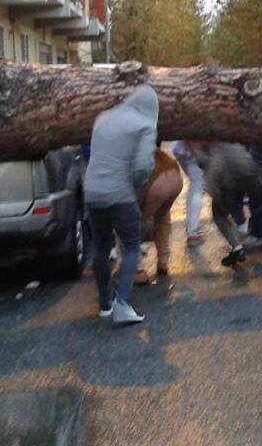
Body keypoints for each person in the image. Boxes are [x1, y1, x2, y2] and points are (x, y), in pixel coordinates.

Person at [83, 85, 158, 326]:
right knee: (132, 246)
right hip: (120, 194)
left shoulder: (103, 118)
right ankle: (123, 304)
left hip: (93, 191)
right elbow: (143, 165)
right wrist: (136, 186)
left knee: (101, 248)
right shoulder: (145, 125)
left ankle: (104, 304)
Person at [200, 142, 262, 268]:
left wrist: (214, 193)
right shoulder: (233, 144)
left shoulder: (214, 150)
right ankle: (240, 232)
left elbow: (213, 171)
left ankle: (237, 247)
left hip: (230, 183)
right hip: (247, 177)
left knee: (219, 216)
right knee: (232, 206)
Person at [134, 148, 183, 285]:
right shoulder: (146, 142)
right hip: (175, 175)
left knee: (132, 223)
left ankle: (137, 270)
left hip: (156, 181)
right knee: (163, 218)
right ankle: (163, 261)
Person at [172, 140, 207, 245]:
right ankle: (193, 232)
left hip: (184, 149)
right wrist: (194, 150)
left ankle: (192, 230)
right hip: (192, 149)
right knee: (198, 186)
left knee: (197, 185)